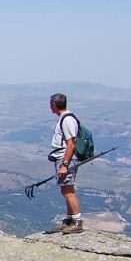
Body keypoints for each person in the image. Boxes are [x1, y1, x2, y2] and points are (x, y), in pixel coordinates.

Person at [46, 93, 83, 234]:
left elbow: (71, 144)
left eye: (51, 104)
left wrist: (65, 164)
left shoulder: (67, 120)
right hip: (63, 157)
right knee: (65, 189)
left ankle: (77, 222)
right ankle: (69, 219)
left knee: (68, 191)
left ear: (54, 105)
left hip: (66, 158)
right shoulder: (66, 118)